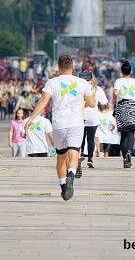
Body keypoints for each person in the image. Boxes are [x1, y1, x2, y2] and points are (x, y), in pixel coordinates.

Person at [24, 54, 94, 201]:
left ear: (58, 67)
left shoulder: (52, 82)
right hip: (76, 123)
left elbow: (43, 101)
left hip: (59, 124)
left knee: (61, 157)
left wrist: (31, 118)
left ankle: (63, 187)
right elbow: (92, 103)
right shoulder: (82, 83)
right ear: (73, 66)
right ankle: (71, 176)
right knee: (74, 153)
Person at [113, 61, 135, 168]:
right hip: (132, 107)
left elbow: (116, 93)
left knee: (123, 134)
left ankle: (124, 160)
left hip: (122, 107)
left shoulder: (119, 81)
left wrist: (114, 99)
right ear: (131, 71)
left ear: (121, 71)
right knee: (131, 133)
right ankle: (129, 151)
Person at [78, 70, 108, 176]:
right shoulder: (97, 89)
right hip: (93, 117)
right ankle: (90, 159)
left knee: (80, 138)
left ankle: (80, 154)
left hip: (80, 116)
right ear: (91, 79)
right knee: (90, 139)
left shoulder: (78, 88)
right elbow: (104, 102)